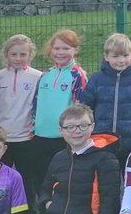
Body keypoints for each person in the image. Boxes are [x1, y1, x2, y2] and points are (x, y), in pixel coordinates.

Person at [29, 29, 88, 199]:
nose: (60, 53)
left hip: (63, 139)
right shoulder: (45, 76)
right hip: (40, 136)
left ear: (75, 50)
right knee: (41, 181)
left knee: (62, 182)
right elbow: (36, 105)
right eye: (57, 48)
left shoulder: (78, 75)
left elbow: (79, 108)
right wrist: (33, 129)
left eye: (66, 48)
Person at [79, 33, 131, 162]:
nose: (121, 60)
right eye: (115, 56)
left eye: (125, 55)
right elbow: (85, 107)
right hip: (102, 140)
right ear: (106, 57)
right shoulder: (96, 79)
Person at [0, 34, 42, 204]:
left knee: (28, 180)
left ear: (30, 55)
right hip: (2, 140)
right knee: (0, 180)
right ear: (6, 55)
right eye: (14, 54)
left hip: (27, 138)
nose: (18, 58)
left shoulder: (38, 77)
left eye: (23, 54)